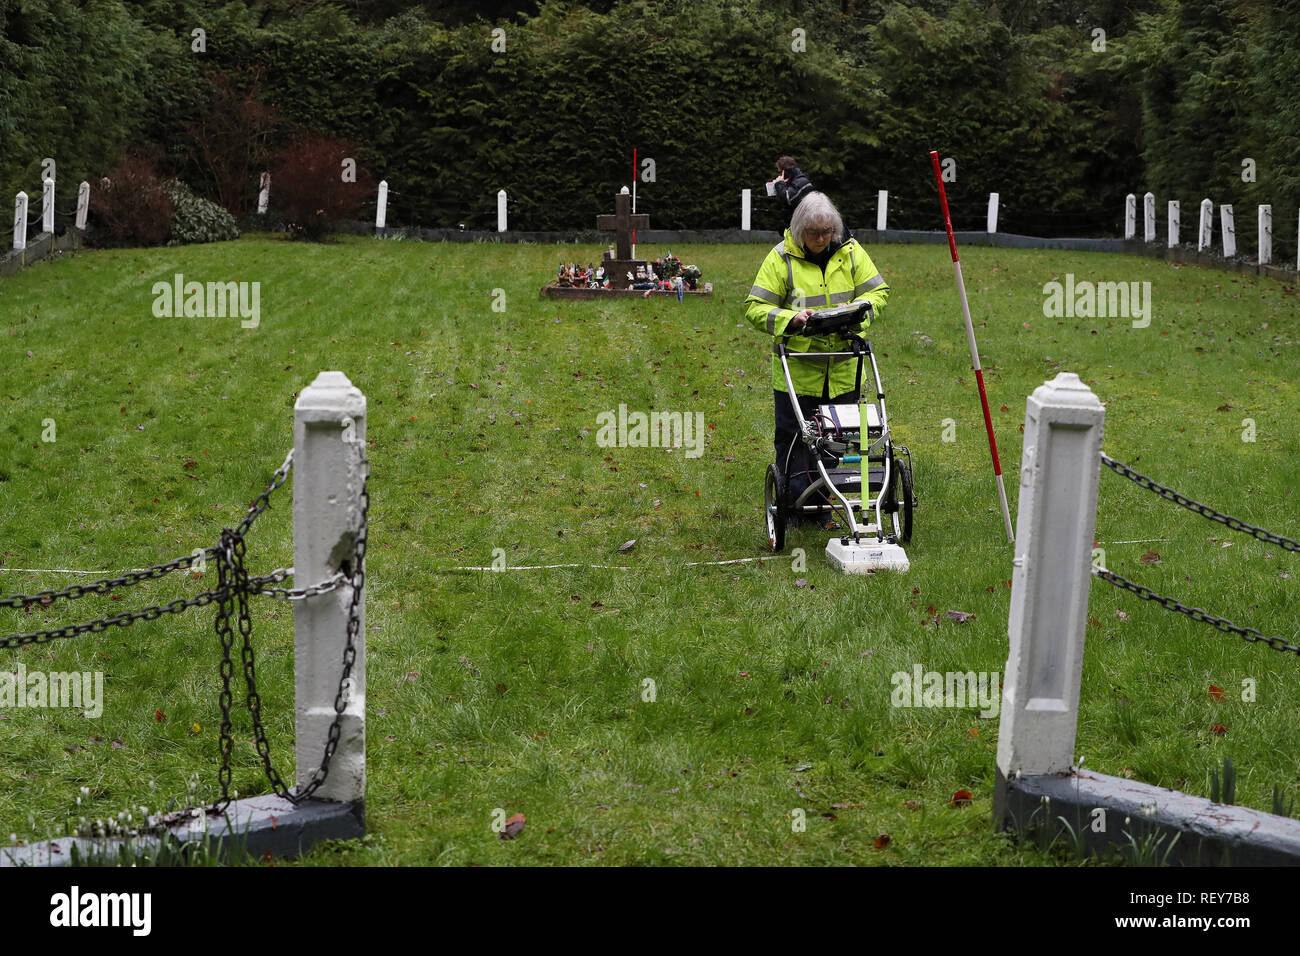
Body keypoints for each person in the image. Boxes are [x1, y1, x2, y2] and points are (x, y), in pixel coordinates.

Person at [744, 191, 889, 526]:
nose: (822, 240)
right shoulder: (780, 259)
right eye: (814, 234)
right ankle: (794, 508)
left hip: (842, 368)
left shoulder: (851, 252)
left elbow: (878, 292)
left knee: (835, 440)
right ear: (799, 231)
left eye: (827, 233)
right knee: (796, 442)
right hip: (798, 370)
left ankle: (823, 509)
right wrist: (790, 319)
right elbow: (755, 308)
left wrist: (858, 313)